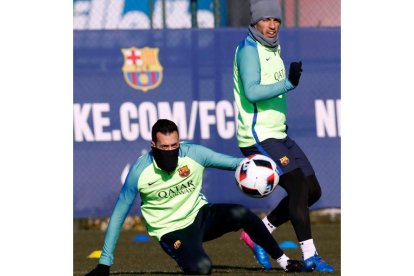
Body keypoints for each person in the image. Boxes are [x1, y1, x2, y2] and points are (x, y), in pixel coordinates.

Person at [85, 119, 304, 275]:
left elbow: (235, 163)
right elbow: (118, 215)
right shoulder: (139, 172)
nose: (171, 150)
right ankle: (187, 258)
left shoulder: (194, 153)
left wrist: (264, 167)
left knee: (241, 213)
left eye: (174, 146)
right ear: (153, 146)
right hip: (171, 231)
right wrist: (105, 263)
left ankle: (284, 262)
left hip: (200, 216)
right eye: (164, 147)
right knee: (201, 268)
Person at [232, 0, 335, 272]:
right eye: (266, 20)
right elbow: (252, 92)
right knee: (299, 187)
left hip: (278, 134)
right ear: (254, 22)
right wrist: (288, 83)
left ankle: (258, 234)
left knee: (312, 191)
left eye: (276, 20)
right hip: (258, 136)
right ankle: (311, 255)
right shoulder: (248, 50)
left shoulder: (272, 46)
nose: (272, 25)